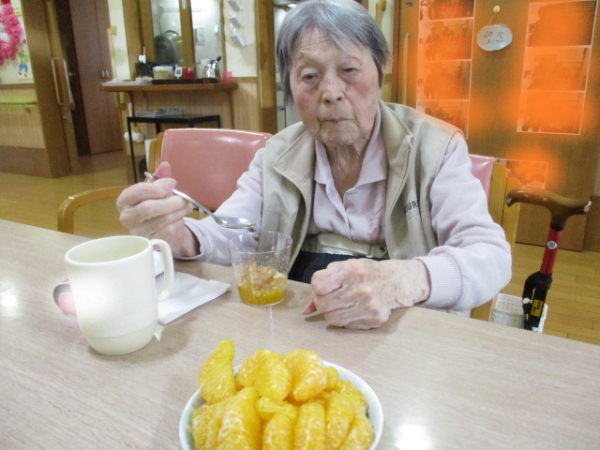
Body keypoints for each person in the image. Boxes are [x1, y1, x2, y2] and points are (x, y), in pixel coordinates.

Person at [117, 0, 511, 330]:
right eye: (309, 76)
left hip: (406, 330)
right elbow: (235, 229)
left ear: (380, 73)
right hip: (298, 323)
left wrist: (404, 279)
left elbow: (489, 256)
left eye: (349, 70)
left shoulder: (435, 147)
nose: (332, 93)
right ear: (290, 89)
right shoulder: (278, 154)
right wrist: (179, 235)